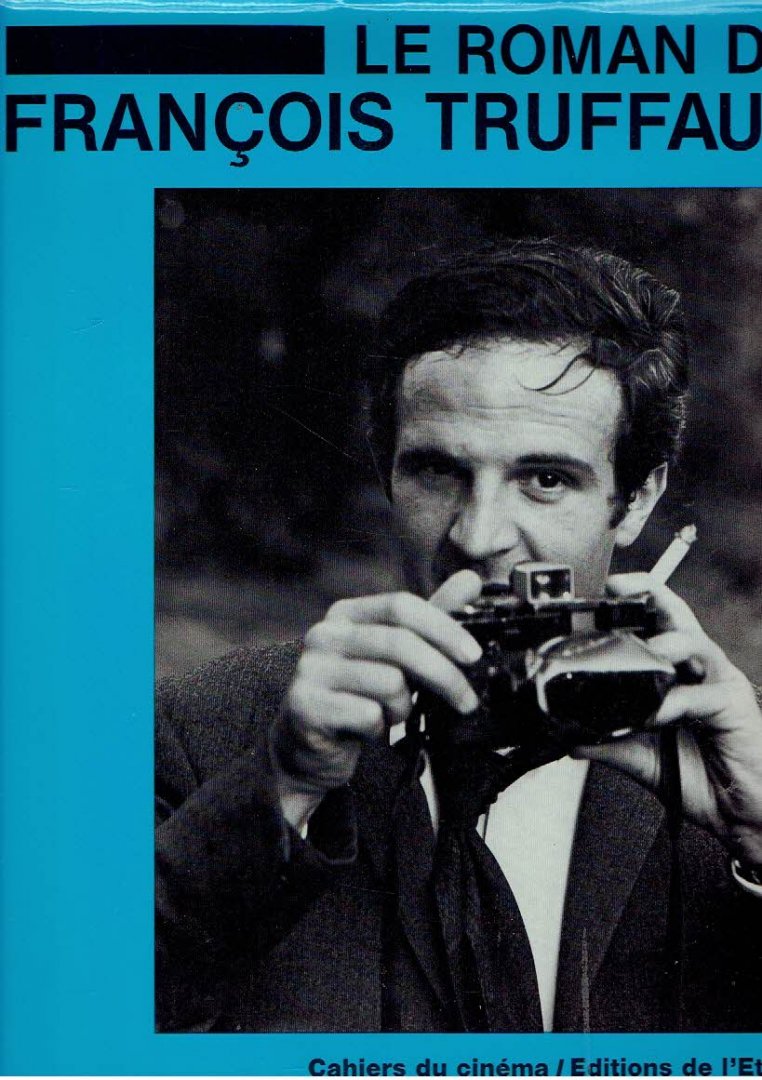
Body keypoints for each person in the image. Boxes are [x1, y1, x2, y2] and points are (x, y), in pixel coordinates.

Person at [155, 240, 762, 1034]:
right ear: (388, 474)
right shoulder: (207, 732)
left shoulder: (733, 754)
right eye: (438, 472)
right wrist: (286, 784)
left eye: (546, 479)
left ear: (638, 498)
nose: (478, 537)